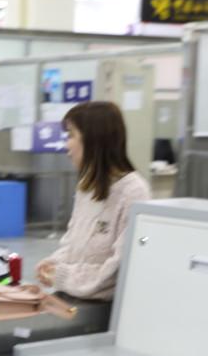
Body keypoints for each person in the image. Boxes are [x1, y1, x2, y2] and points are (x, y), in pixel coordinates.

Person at [35, 101, 151, 300]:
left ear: (93, 140)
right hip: (73, 297)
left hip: (106, 308)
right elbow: (72, 244)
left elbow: (117, 270)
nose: (67, 145)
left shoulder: (134, 193)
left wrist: (62, 275)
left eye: (71, 135)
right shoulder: (87, 187)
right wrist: (53, 263)